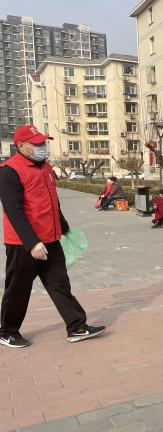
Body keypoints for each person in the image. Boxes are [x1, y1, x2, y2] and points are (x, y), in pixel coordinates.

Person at [0, 125, 106, 348]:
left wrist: (64, 228)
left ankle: (76, 327)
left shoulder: (46, 167)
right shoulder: (9, 171)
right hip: (24, 245)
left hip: (51, 239)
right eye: (37, 144)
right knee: (18, 289)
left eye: (43, 142)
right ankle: (7, 332)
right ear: (21, 146)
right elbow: (13, 210)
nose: (42, 147)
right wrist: (32, 243)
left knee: (60, 285)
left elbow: (53, 201)